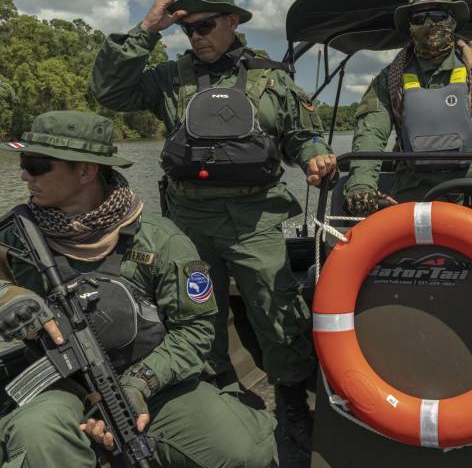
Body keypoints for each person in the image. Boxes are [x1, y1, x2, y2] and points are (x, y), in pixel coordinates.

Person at [90, 0, 336, 454]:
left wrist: (317, 156)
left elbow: (301, 136)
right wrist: (146, 30)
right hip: (188, 221)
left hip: (256, 220)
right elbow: (110, 90)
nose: (195, 37)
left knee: (277, 312)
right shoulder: (170, 78)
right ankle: (222, 392)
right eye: (187, 29)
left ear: (232, 22)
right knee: (197, 313)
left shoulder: (271, 79)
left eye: (204, 26)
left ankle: (290, 402)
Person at [0, 110, 276, 468]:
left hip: (152, 383)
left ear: (86, 171)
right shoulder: (14, 237)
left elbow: (195, 331)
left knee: (242, 448)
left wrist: (139, 384)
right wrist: (7, 295)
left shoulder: (162, 242)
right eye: (24, 162)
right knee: (37, 439)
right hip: (60, 388)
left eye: (37, 165)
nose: (24, 174)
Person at [344, 0, 472, 213]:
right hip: (413, 196)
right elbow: (370, 133)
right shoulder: (389, 78)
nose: (430, 24)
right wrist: (362, 183)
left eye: (438, 15)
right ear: (411, 27)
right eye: (420, 18)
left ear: (452, 21)